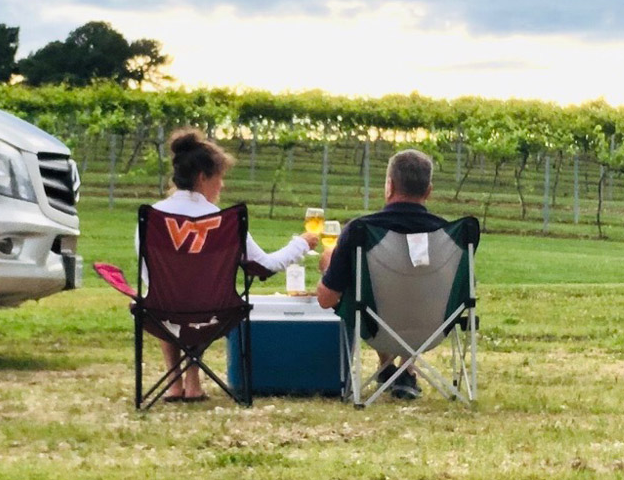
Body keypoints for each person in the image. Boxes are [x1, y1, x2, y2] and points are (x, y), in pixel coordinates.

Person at [147, 128, 314, 401]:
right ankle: (191, 385)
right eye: (219, 178)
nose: (222, 186)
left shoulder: (152, 217)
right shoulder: (224, 221)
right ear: (203, 177)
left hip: (159, 309)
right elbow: (265, 266)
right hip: (213, 310)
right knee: (197, 300)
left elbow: (150, 276)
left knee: (169, 297)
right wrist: (302, 243)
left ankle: (177, 384)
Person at [317, 148, 448, 399]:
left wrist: (328, 267)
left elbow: (326, 299)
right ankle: (405, 369)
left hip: (375, 328)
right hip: (433, 329)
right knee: (416, 287)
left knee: (361, 288)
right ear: (429, 191)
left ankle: (388, 365)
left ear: (389, 186)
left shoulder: (360, 230)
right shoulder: (449, 235)